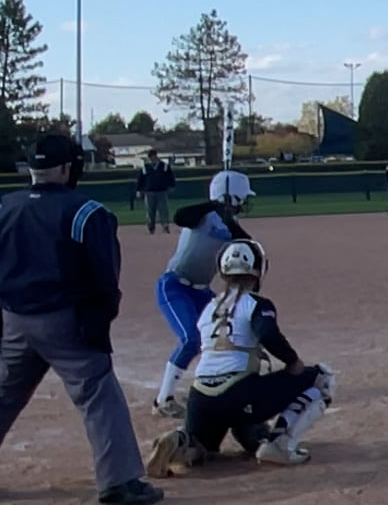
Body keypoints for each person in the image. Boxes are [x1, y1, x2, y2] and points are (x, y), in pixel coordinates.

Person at [0, 132, 162, 505]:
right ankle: (119, 483)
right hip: (65, 320)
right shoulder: (85, 211)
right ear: (66, 169)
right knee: (98, 395)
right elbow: (105, 276)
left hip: (12, 319)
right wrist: (99, 319)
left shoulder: (3, 206)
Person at [144, 239, 336, 478]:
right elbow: (268, 334)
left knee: (203, 446)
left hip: (201, 397)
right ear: (258, 269)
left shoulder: (209, 308)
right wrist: (292, 362)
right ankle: (280, 445)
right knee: (322, 377)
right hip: (238, 392)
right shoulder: (255, 303)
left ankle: (181, 442)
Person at [152, 182, 252, 418]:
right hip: (175, 285)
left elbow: (247, 244)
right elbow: (180, 216)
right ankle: (163, 400)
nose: (245, 203)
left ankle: (204, 389)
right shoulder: (201, 216)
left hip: (202, 291)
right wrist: (213, 205)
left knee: (220, 335)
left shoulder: (228, 223)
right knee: (191, 339)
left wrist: (228, 219)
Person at [137, 150, 176, 235]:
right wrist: (139, 190)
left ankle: (165, 226)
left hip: (162, 191)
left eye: (153, 156)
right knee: (150, 211)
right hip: (149, 192)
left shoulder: (164, 166)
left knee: (163, 210)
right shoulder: (145, 167)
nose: (152, 158)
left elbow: (170, 177)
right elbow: (141, 179)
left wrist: (171, 186)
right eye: (150, 157)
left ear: (156, 156)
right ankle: (151, 227)